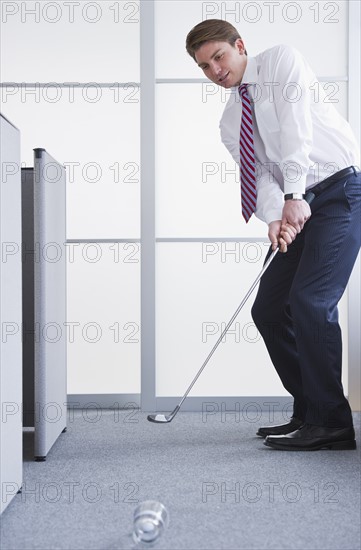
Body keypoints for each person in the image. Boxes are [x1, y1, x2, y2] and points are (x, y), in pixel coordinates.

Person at [186, 19, 361, 451]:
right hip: (292, 204)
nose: (215, 70)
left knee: (310, 301)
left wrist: (296, 195)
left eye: (219, 57)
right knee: (268, 309)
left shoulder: (282, 61)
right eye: (204, 66)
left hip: (338, 191)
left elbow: (297, 128)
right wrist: (274, 217)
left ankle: (333, 423)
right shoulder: (230, 120)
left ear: (239, 45)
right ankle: (310, 411)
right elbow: (260, 172)